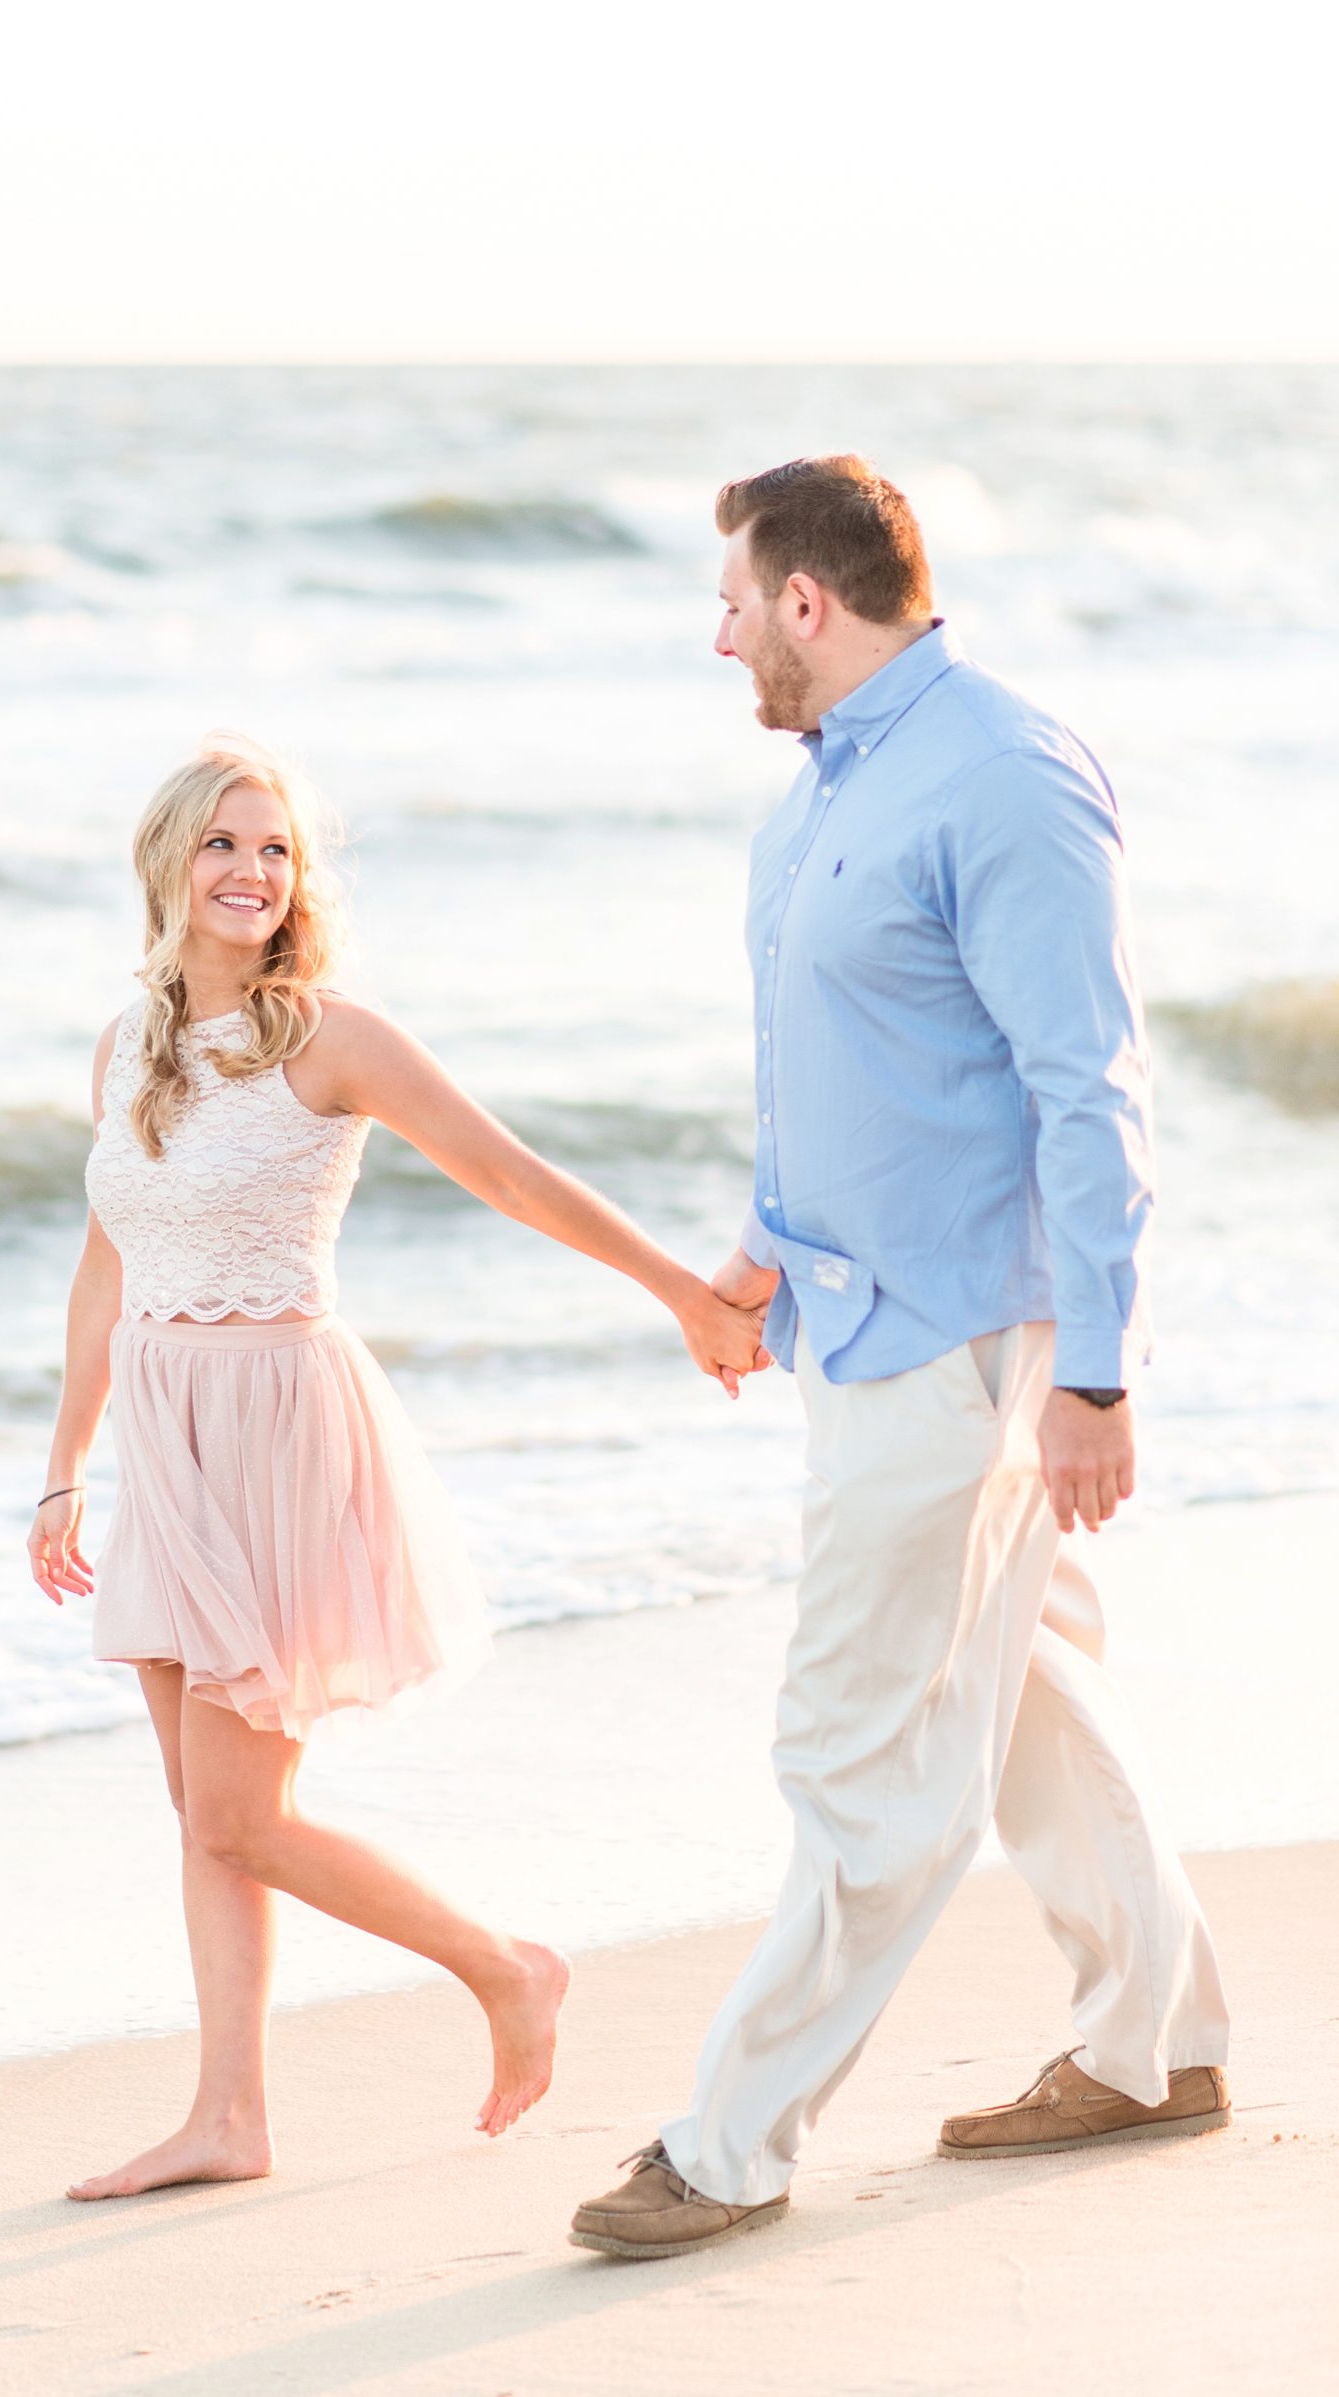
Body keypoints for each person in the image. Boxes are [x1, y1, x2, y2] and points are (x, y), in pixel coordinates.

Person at [569, 455, 1232, 2261]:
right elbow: (844, 1063)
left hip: (974, 1343)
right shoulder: (812, 799)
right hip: (852, 1321)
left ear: (809, 601)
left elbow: (1084, 1086)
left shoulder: (1005, 775)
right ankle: (1153, 2044)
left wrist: (1096, 1376)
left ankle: (728, 2141)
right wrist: (765, 1241)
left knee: (856, 1745)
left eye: (730, 602)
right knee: (1024, 1697)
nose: (714, 637)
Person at [28, 735, 763, 2202]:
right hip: (163, 1439)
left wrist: (684, 1291)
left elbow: (508, 1171)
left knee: (242, 1810)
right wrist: (66, 1466)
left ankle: (505, 1965)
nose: (252, 872)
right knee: (204, 1810)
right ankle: (228, 2115)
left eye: (277, 849)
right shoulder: (126, 1047)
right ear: (169, 861)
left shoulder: (332, 1039)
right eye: (227, 844)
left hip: (278, 1429)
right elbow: (107, 1263)